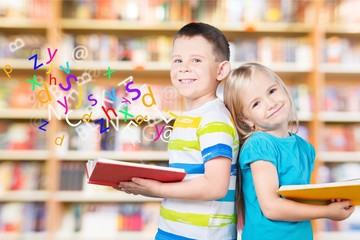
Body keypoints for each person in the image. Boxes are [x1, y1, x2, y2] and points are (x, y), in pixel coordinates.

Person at [115, 22, 239, 240]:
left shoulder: (214, 119)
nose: (184, 68)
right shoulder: (189, 118)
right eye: (178, 60)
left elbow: (216, 186)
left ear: (221, 70)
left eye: (196, 60)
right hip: (174, 231)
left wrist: (157, 189)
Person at [223, 62, 355, 240]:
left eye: (271, 91)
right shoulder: (259, 144)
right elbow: (271, 207)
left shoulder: (304, 147)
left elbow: (300, 200)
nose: (270, 103)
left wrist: (335, 201)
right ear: (246, 119)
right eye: (256, 104)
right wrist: (327, 211)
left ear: (283, 88)